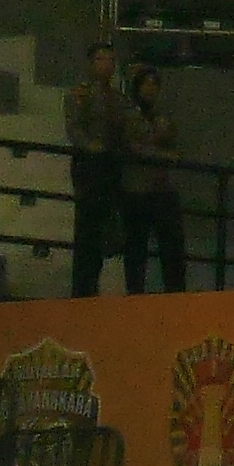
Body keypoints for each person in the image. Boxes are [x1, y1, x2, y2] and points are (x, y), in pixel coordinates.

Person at [63, 41, 128, 297]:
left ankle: (92, 286)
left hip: (112, 166)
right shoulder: (81, 94)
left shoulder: (118, 98)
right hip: (90, 166)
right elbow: (75, 128)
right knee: (87, 230)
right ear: (91, 64)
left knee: (105, 227)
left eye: (111, 60)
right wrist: (93, 147)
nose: (107, 65)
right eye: (101, 59)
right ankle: (83, 289)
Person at [120, 65, 187, 294]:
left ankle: (174, 293)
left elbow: (174, 143)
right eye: (146, 84)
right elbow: (133, 146)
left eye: (154, 84)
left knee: (172, 246)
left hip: (161, 188)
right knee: (136, 248)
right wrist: (160, 151)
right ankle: (135, 294)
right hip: (137, 188)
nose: (150, 89)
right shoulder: (129, 115)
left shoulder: (162, 116)